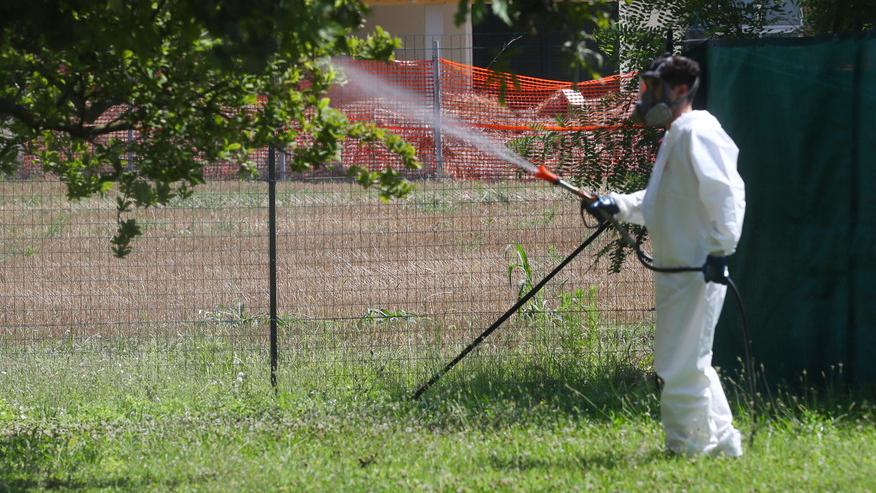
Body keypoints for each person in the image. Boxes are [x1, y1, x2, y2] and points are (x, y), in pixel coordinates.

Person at [586, 55, 746, 457]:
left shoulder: (698, 132)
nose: (645, 96)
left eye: (653, 87)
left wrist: (720, 252)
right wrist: (617, 204)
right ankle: (723, 443)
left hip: (698, 268)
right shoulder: (677, 135)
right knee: (692, 360)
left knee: (679, 364)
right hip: (680, 268)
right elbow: (659, 202)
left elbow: (727, 193)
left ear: (678, 90)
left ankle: (686, 447)